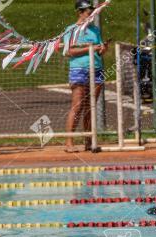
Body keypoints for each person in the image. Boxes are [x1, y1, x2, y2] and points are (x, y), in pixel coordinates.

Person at [63, 0, 106, 153]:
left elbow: (98, 49)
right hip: (79, 69)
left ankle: (89, 141)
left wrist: (101, 49)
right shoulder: (72, 30)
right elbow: (69, 52)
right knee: (78, 106)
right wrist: (91, 48)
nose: (92, 14)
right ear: (80, 12)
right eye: (89, 12)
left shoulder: (95, 30)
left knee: (90, 107)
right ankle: (69, 142)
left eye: (93, 12)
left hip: (96, 68)